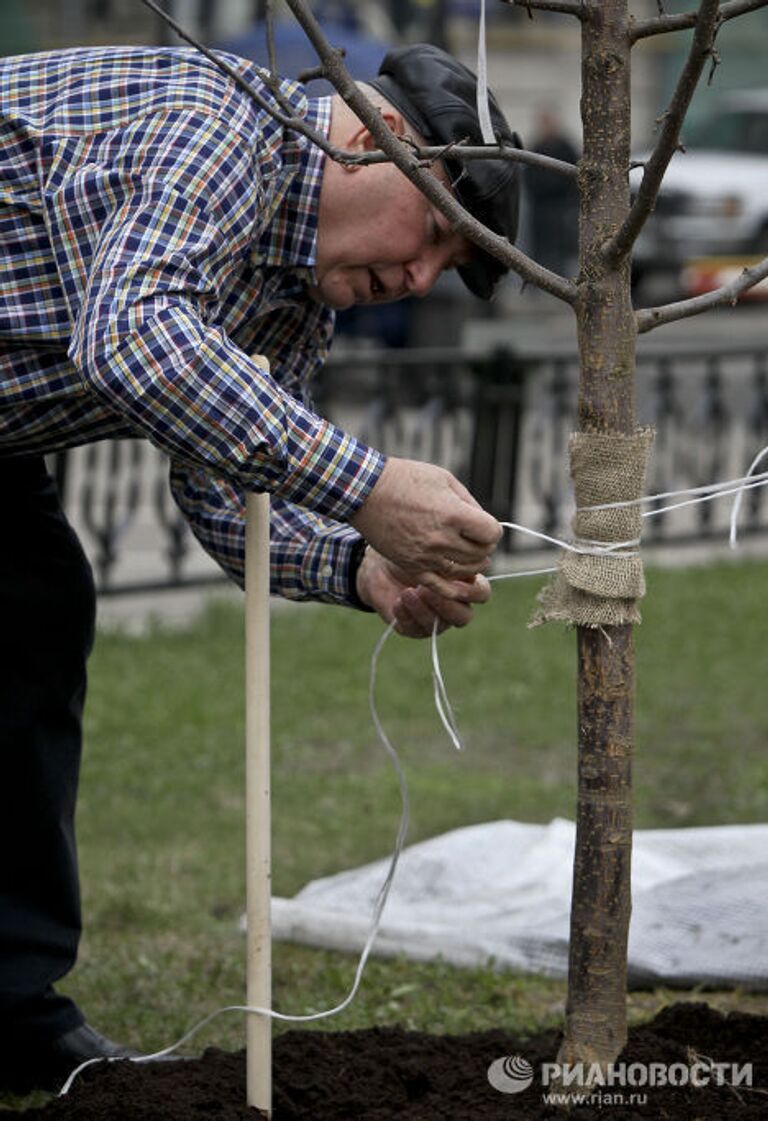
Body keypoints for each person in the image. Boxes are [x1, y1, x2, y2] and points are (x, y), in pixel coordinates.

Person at [0, 41, 519, 1090]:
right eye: (432, 235)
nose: (418, 279)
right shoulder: (224, 128)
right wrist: (371, 487)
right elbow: (134, 338)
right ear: (377, 141)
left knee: (35, 615)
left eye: (448, 272)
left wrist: (360, 571)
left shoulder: (292, 295)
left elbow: (221, 492)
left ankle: (12, 1007)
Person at [525, 107, 579, 277]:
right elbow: (529, 175)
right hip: (540, 206)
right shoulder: (537, 145)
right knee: (540, 243)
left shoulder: (565, 146)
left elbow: (574, 175)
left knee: (561, 245)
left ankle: (560, 276)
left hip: (560, 205)